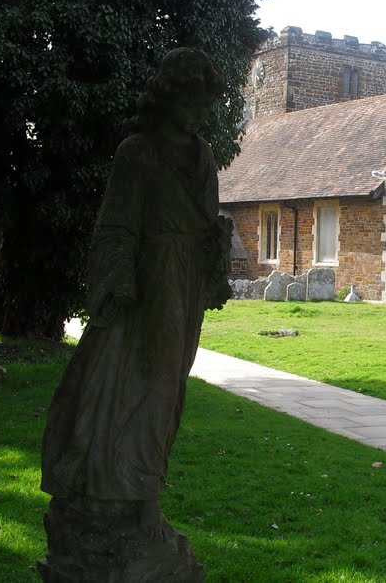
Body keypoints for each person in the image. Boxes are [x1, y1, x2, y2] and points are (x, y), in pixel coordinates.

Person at [40, 48, 232, 540]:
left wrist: (214, 265)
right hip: (144, 283)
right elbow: (116, 225)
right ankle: (110, 490)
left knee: (167, 389)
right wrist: (116, 280)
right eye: (188, 103)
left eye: (203, 106)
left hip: (184, 286)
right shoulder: (137, 152)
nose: (196, 115)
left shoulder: (204, 155)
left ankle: (144, 491)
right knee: (125, 383)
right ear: (166, 97)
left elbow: (210, 223)